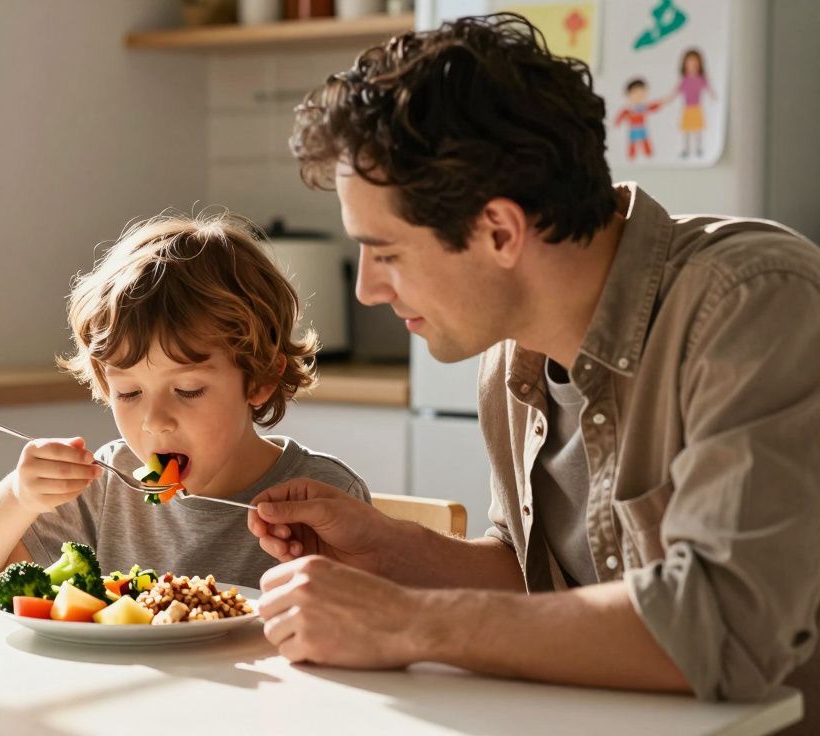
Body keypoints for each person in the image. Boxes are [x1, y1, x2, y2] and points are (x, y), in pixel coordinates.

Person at [247, 13, 820, 733]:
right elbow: (544, 584)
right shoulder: (510, 353)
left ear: (499, 232)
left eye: (385, 252)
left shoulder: (755, 302)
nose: (367, 288)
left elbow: (722, 626)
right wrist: (391, 551)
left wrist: (407, 621)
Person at [0, 212, 371, 592]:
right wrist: (18, 497)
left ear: (258, 380)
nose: (154, 422)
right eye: (129, 393)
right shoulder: (107, 486)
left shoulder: (324, 496)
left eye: (187, 391)